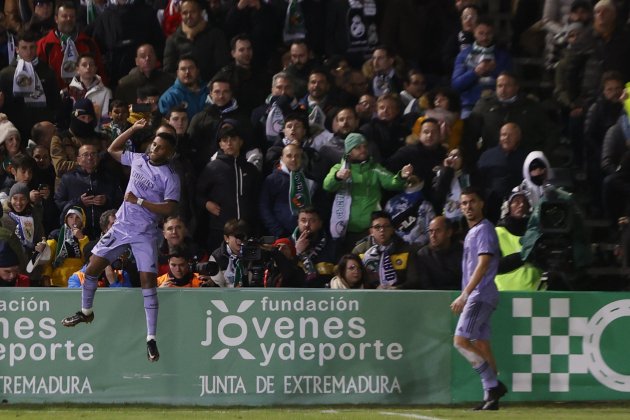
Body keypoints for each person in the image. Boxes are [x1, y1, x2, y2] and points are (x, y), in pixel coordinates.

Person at [60, 119, 181, 363]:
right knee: (92, 267)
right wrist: (133, 130)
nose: (154, 149)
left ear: (169, 153)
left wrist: (140, 202)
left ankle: (151, 339)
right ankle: (86, 312)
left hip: (145, 232)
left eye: (159, 148)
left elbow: (169, 207)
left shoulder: (170, 176)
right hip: (122, 227)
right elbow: (114, 150)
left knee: (148, 281)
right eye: (154, 145)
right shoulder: (138, 159)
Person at [450, 186, 507, 410]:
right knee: (481, 344)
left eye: (472, 201)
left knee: (460, 341)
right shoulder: (473, 231)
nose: (468, 207)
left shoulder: (484, 230)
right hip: (483, 294)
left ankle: (492, 384)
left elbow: (483, 264)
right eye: (464, 203)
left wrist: (465, 295)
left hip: (479, 294)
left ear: (481, 203)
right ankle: (490, 397)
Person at [323, 132, 413, 251]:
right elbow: (327, 185)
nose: (363, 150)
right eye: (358, 147)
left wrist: (401, 176)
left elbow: (391, 182)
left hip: (371, 230)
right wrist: (337, 176)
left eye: (364, 146)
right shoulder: (339, 168)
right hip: (346, 230)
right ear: (349, 152)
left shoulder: (375, 168)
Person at [0, 30, 60, 140]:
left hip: (43, 131)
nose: (29, 52)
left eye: (32, 47)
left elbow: (54, 102)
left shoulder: (46, 71)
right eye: (24, 48)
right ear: (17, 49)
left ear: (37, 48)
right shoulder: (5, 75)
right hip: (17, 132)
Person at [36, 1, 106, 88]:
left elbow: (100, 71)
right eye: (64, 16)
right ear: (56, 19)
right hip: (56, 96)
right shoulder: (44, 45)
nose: (68, 19)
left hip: (85, 96)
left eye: (72, 16)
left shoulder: (88, 42)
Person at [162, 0, 230, 81]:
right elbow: (169, 70)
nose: (189, 16)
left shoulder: (216, 35)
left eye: (193, 12)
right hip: (182, 88)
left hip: (210, 87)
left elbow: (222, 66)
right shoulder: (173, 39)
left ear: (200, 12)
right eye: (185, 13)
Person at [495, 189, 542, 291]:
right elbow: (493, 266)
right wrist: (523, 256)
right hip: (506, 296)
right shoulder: (497, 233)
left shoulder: (537, 233)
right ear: (508, 206)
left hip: (536, 296)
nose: (521, 205)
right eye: (516, 201)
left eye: (525, 202)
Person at [352, 211, 413, 289]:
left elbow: (414, 280)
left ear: (392, 230)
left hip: (400, 296)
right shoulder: (359, 251)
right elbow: (353, 280)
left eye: (386, 226)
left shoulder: (406, 250)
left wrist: (397, 288)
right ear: (371, 231)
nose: (382, 230)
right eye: (377, 227)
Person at [37, 205, 91, 287]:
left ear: (82, 221)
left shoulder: (86, 237)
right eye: (71, 217)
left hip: (78, 281)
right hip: (58, 280)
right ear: (66, 219)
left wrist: (81, 238)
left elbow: (88, 259)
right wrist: (46, 276)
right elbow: (47, 261)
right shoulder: (56, 235)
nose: (74, 220)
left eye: (78, 218)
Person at [404, 216, 462, 290]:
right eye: (431, 231)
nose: (433, 235)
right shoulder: (423, 255)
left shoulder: (461, 251)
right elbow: (426, 286)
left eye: (438, 231)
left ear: (449, 233)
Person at [158, 55, 208, 121]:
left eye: (191, 68)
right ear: (177, 73)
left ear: (197, 71)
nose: (187, 72)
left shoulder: (210, 90)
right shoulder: (168, 97)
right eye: (183, 69)